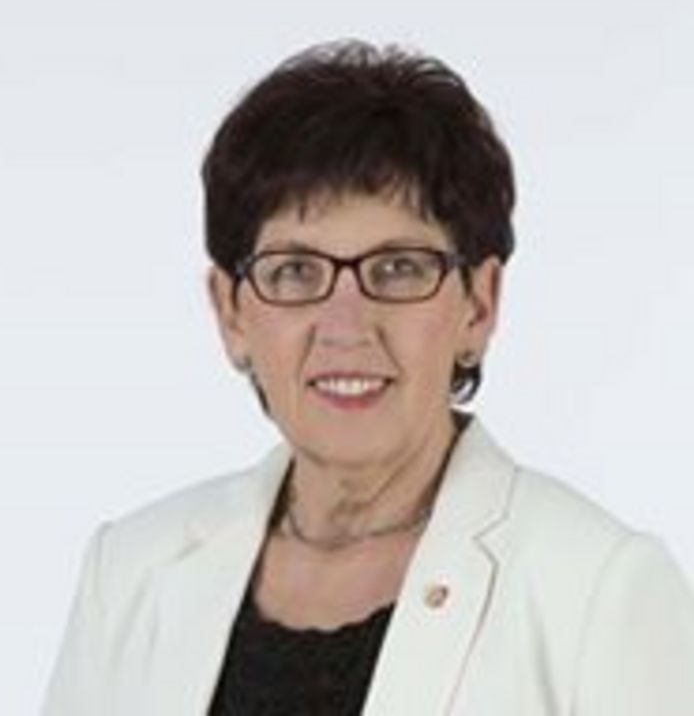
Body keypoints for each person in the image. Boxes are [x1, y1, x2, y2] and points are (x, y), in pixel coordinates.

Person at [42, 40, 694, 716]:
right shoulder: (130, 573)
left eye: (399, 268)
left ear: (478, 304)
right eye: (295, 271)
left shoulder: (599, 593)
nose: (346, 326)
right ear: (231, 312)